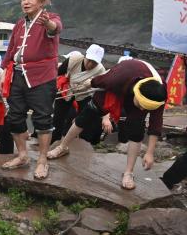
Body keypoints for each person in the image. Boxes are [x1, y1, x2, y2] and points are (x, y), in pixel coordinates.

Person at [47, 58, 166, 190]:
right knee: (86, 116)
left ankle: (128, 173)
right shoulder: (118, 77)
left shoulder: (159, 93)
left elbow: (156, 123)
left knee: (136, 131)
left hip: (136, 94)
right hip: (122, 83)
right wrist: (90, 83)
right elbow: (102, 80)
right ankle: (62, 147)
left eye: (146, 108)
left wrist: (149, 152)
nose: (143, 110)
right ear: (138, 94)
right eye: (143, 106)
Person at [0, 0, 63, 180]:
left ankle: (42, 161)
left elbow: (56, 29)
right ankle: (23, 155)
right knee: (15, 117)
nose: (26, 2)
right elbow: (11, 49)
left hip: (42, 76)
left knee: (43, 119)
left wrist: (48, 25)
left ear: (42, 2)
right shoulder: (20, 23)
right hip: (18, 74)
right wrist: (4, 69)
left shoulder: (50, 18)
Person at [52, 44, 106, 144]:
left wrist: (90, 84)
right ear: (85, 55)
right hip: (68, 89)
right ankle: (54, 140)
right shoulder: (74, 59)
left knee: (84, 119)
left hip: (84, 94)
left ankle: (79, 142)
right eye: (89, 60)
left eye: (94, 62)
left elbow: (102, 89)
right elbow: (59, 72)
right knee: (58, 117)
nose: (90, 64)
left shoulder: (101, 70)